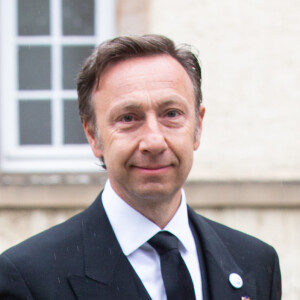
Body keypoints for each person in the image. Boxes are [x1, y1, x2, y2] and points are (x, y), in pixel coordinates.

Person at [0, 34, 281, 300]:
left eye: (171, 114)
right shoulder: (30, 277)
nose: (154, 141)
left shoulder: (256, 262)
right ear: (92, 135)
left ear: (198, 126)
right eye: (128, 118)